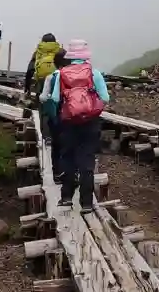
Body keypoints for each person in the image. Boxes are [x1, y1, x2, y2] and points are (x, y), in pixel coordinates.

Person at [49, 39, 109, 211]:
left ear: (70, 56)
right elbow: (105, 98)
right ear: (85, 55)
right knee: (87, 161)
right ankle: (87, 203)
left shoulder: (62, 73)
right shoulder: (94, 73)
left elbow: (55, 98)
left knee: (67, 157)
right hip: (90, 123)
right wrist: (90, 107)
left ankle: (67, 197)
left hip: (68, 122)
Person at [39, 49, 71, 181]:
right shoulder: (75, 77)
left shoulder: (51, 77)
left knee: (56, 145)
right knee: (71, 144)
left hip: (56, 118)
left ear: (55, 63)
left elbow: (43, 97)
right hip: (73, 116)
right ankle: (71, 173)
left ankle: (57, 174)